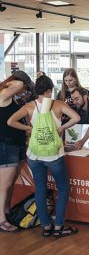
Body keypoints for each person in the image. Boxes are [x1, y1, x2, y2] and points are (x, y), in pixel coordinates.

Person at [8, 75, 80, 238]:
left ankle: (46, 226)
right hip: (54, 154)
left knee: (40, 190)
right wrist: (61, 128)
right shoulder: (58, 104)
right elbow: (77, 118)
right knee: (62, 189)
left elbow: (11, 121)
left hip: (34, 154)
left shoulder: (29, 106)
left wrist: (29, 128)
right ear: (49, 90)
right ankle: (59, 226)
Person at [0, 71, 34, 233]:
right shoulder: (4, 94)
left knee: (11, 183)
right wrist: (19, 81)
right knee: (4, 185)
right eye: (25, 86)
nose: (24, 90)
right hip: (7, 145)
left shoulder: (11, 98)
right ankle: (1, 220)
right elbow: (18, 84)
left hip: (17, 144)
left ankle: (7, 211)